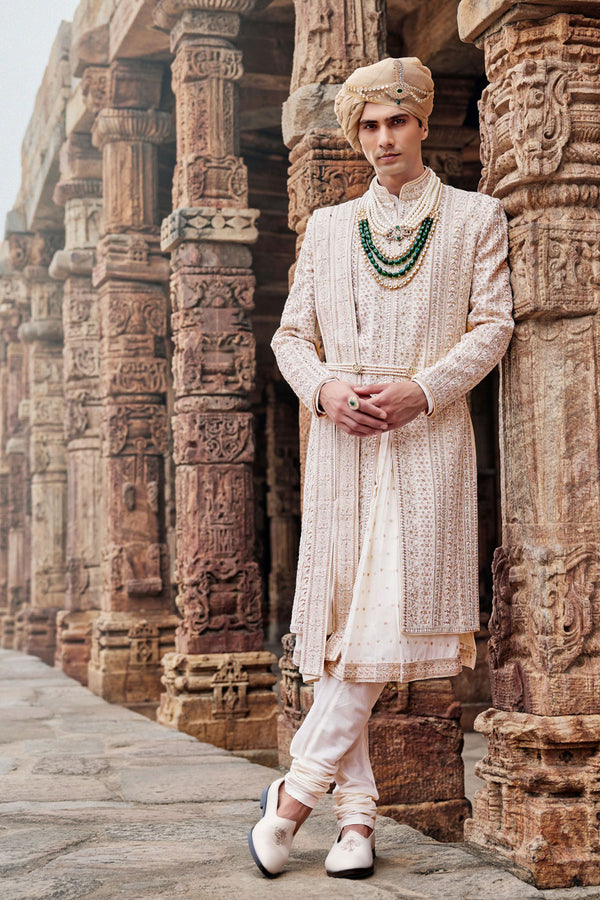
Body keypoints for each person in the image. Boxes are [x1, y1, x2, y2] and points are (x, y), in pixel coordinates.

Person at [248, 56, 514, 880]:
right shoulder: (330, 228)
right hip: (344, 444)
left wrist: (422, 390)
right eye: (368, 125)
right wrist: (325, 390)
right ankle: (356, 822)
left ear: (422, 121)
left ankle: (293, 796)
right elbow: (292, 336)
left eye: (396, 120)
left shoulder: (476, 217)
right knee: (342, 636)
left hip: (428, 442)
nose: (383, 138)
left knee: (385, 620)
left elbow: (494, 324)